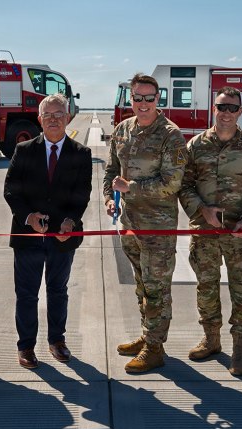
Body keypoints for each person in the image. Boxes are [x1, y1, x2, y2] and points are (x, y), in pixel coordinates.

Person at [178, 86, 242, 376]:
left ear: (240, 111)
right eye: (221, 107)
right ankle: (211, 339)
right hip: (204, 231)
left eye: (232, 108)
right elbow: (184, 184)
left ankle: (240, 349)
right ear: (213, 109)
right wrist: (201, 210)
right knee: (206, 288)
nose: (226, 112)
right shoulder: (196, 146)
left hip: (238, 234)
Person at [104, 73, 187, 373]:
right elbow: (111, 167)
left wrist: (132, 189)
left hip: (158, 228)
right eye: (137, 97)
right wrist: (110, 197)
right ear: (131, 99)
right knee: (142, 284)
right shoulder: (122, 129)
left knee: (157, 288)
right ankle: (146, 335)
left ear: (158, 99)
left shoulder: (170, 135)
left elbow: (173, 182)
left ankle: (155, 348)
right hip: (130, 223)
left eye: (148, 98)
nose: (142, 103)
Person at [3, 93, 92, 369]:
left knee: (58, 291)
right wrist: (28, 217)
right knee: (27, 294)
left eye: (59, 114)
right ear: (39, 119)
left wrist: (70, 221)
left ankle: (57, 341)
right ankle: (26, 346)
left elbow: (82, 194)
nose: (53, 120)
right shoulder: (24, 150)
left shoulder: (81, 153)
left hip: (62, 238)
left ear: (68, 118)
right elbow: (10, 190)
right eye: (48, 115)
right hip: (27, 235)